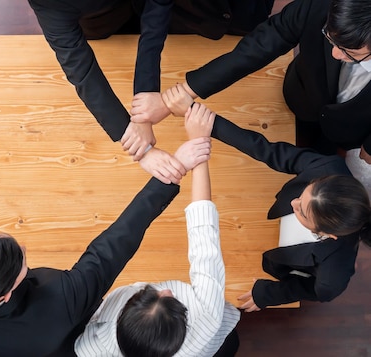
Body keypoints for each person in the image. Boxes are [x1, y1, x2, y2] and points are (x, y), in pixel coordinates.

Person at [0, 138, 212, 356]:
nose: (24, 245)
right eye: (23, 264)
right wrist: (176, 168)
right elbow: (115, 245)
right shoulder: (61, 300)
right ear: (4, 295)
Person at [27, 0, 273, 184]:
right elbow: (80, 69)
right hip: (104, 15)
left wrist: (146, 102)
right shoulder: (49, 3)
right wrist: (138, 140)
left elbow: (157, 10)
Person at [141, 0, 371, 192]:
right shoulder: (323, 6)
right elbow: (265, 41)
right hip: (302, 95)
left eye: (350, 52)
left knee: (325, 157)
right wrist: (186, 90)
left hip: (350, 129)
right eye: (331, 39)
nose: (334, 53)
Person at [74, 103, 241, 357]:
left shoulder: (90, 347)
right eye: (171, 300)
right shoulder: (206, 313)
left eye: (148, 294)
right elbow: (203, 235)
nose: (167, 290)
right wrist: (198, 145)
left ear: (121, 320)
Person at [202, 101, 371, 311]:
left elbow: (318, 291)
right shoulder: (327, 166)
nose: (294, 202)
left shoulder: (334, 273)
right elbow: (267, 150)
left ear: (328, 234)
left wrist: (269, 295)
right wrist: (210, 125)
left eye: (303, 212)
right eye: (305, 192)